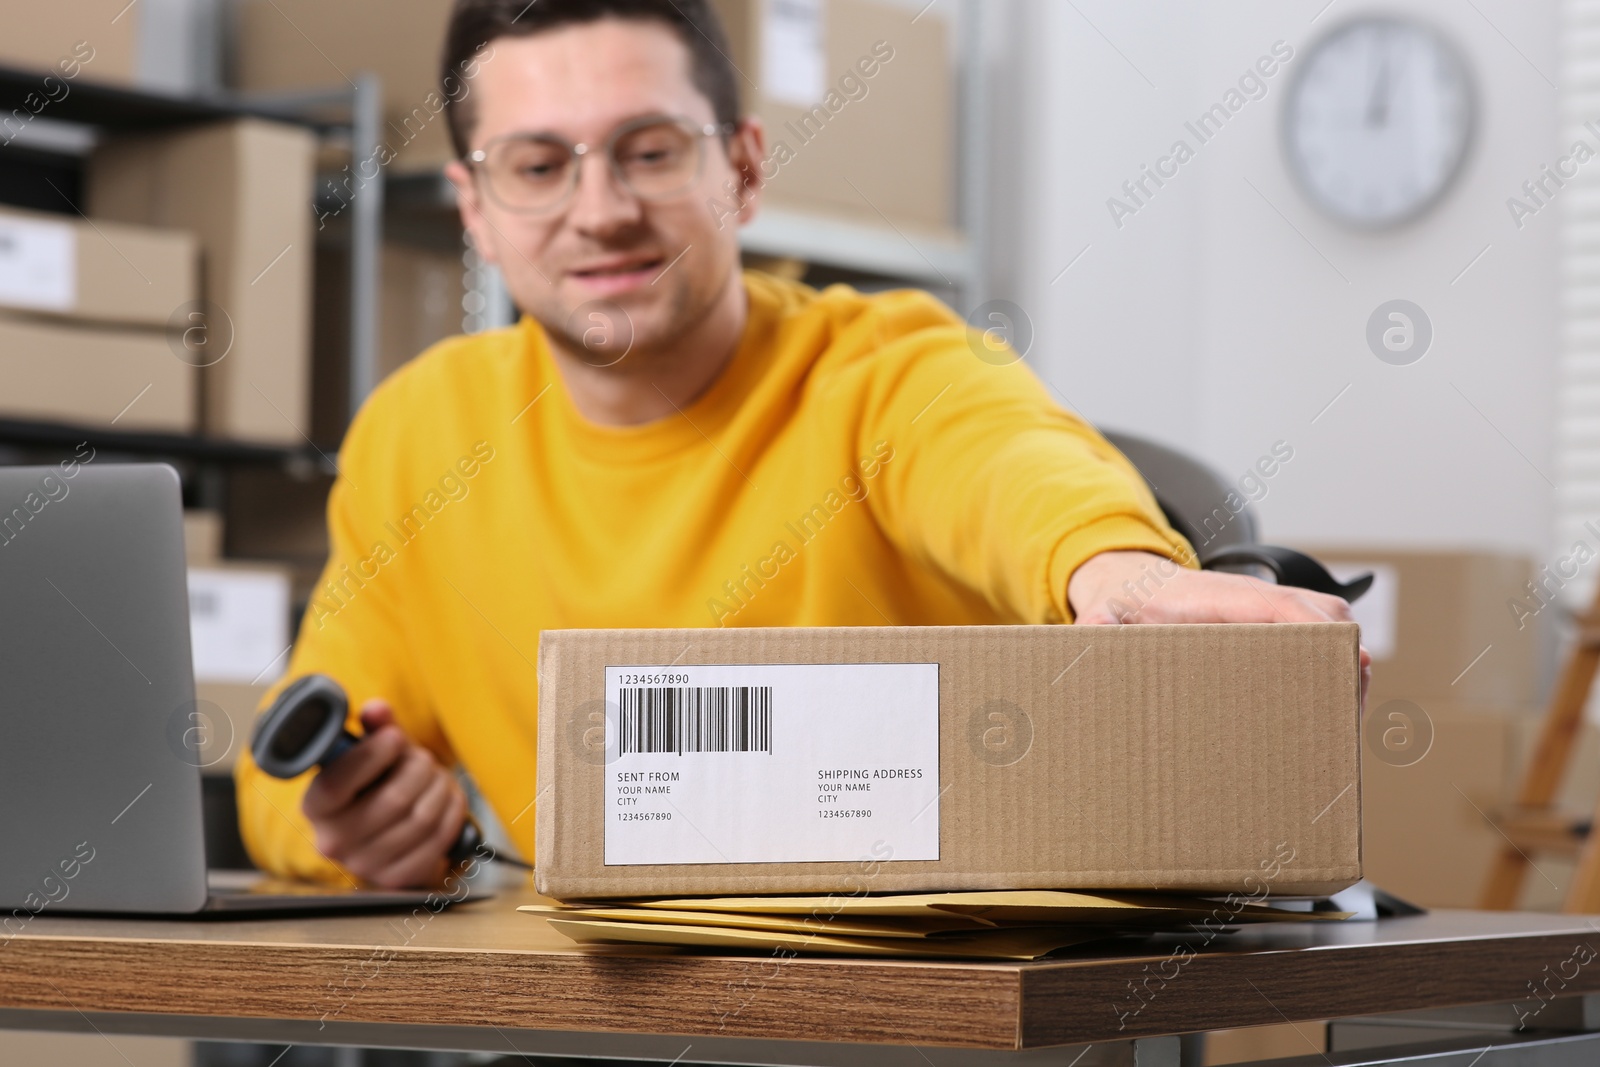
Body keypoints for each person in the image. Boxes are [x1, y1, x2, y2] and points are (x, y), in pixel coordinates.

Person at [234, 0, 1365, 889]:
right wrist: (348, 820)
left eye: (649, 150)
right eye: (537, 167)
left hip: (916, 1021)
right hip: (600, 1022)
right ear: (473, 206)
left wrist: (1119, 574)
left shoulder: (887, 365)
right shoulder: (421, 432)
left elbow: (1008, 466)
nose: (600, 210)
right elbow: (287, 763)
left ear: (741, 166)